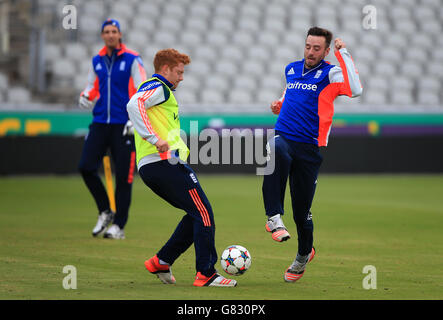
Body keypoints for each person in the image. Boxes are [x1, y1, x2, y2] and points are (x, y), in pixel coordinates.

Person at [126, 48, 237, 287]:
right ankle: (205, 273)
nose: (182, 77)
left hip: (154, 166)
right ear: (165, 69)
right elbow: (134, 105)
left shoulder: (152, 88)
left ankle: (162, 261)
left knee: (195, 213)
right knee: (204, 213)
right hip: (164, 162)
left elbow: (139, 107)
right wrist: (155, 139)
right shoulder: (159, 87)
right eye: (179, 72)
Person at [262, 27, 362, 282]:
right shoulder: (291, 69)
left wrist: (344, 53)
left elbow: (356, 88)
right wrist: (279, 105)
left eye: (317, 48)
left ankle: (304, 255)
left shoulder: (330, 72)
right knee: (274, 148)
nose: (310, 52)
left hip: (309, 147)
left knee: (302, 212)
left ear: (326, 50)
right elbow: (290, 95)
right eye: (308, 46)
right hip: (284, 136)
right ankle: (273, 217)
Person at [78, 19, 146, 239]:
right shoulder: (97, 60)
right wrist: (86, 96)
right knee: (86, 167)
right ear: (102, 35)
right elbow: (91, 87)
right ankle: (105, 210)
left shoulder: (132, 59)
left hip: (123, 125)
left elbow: (142, 89)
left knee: (124, 178)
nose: (110, 35)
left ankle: (119, 226)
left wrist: (134, 119)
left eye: (113, 31)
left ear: (120, 34)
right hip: (100, 123)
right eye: (106, 31)